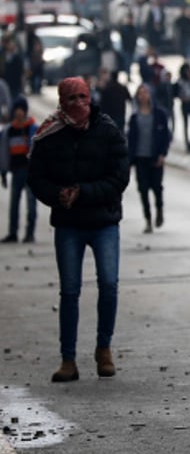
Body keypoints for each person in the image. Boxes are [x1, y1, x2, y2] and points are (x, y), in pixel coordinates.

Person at [29, 78, 131, 382]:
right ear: (62, 102)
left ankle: (104, 349)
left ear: (91, 98)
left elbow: (119, 178)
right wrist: (58, 195)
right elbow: (37, 178)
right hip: (69, 223)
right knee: (70, 291)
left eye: (83, 97)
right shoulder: (49, 134)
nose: (78, 104)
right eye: (71, 98)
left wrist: (84, 192)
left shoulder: (108, 130)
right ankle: (68, 359)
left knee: (109, 285)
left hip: (103, 221)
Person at [128, 84, 172, 234]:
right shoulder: (134, 117)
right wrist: (129, 159)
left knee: (157, 187)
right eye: (140, 93)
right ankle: (148, 219)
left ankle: (159, 209)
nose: (143, 96)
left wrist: (162, 154)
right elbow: (131, 139)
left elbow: (166, 136)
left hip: (155, 157)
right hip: (140, 158)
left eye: (145, 92)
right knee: (143, 189)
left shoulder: (159, 114)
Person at [0, 97, 39, 243]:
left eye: (20, 110)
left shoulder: (32, 128)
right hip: (17, 171)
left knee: (31, 204)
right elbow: (3, 153)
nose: (18, 113)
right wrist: (3, 172)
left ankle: (30, 233)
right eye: (16, 110)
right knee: (14, 203)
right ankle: (13, 232)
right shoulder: (9, 131)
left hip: (30, 171)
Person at [175, 63, 190, 153]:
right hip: (185, 104)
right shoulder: (180, 81)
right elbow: (177, 93)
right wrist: (183, 98)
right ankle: (187, 143)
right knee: (185, 124)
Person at [97, 69, 131, 134]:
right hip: (121, 115)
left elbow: (102, 104)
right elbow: (129, 99)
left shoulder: (107, 89)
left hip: (110, 116)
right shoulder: (123, 88)